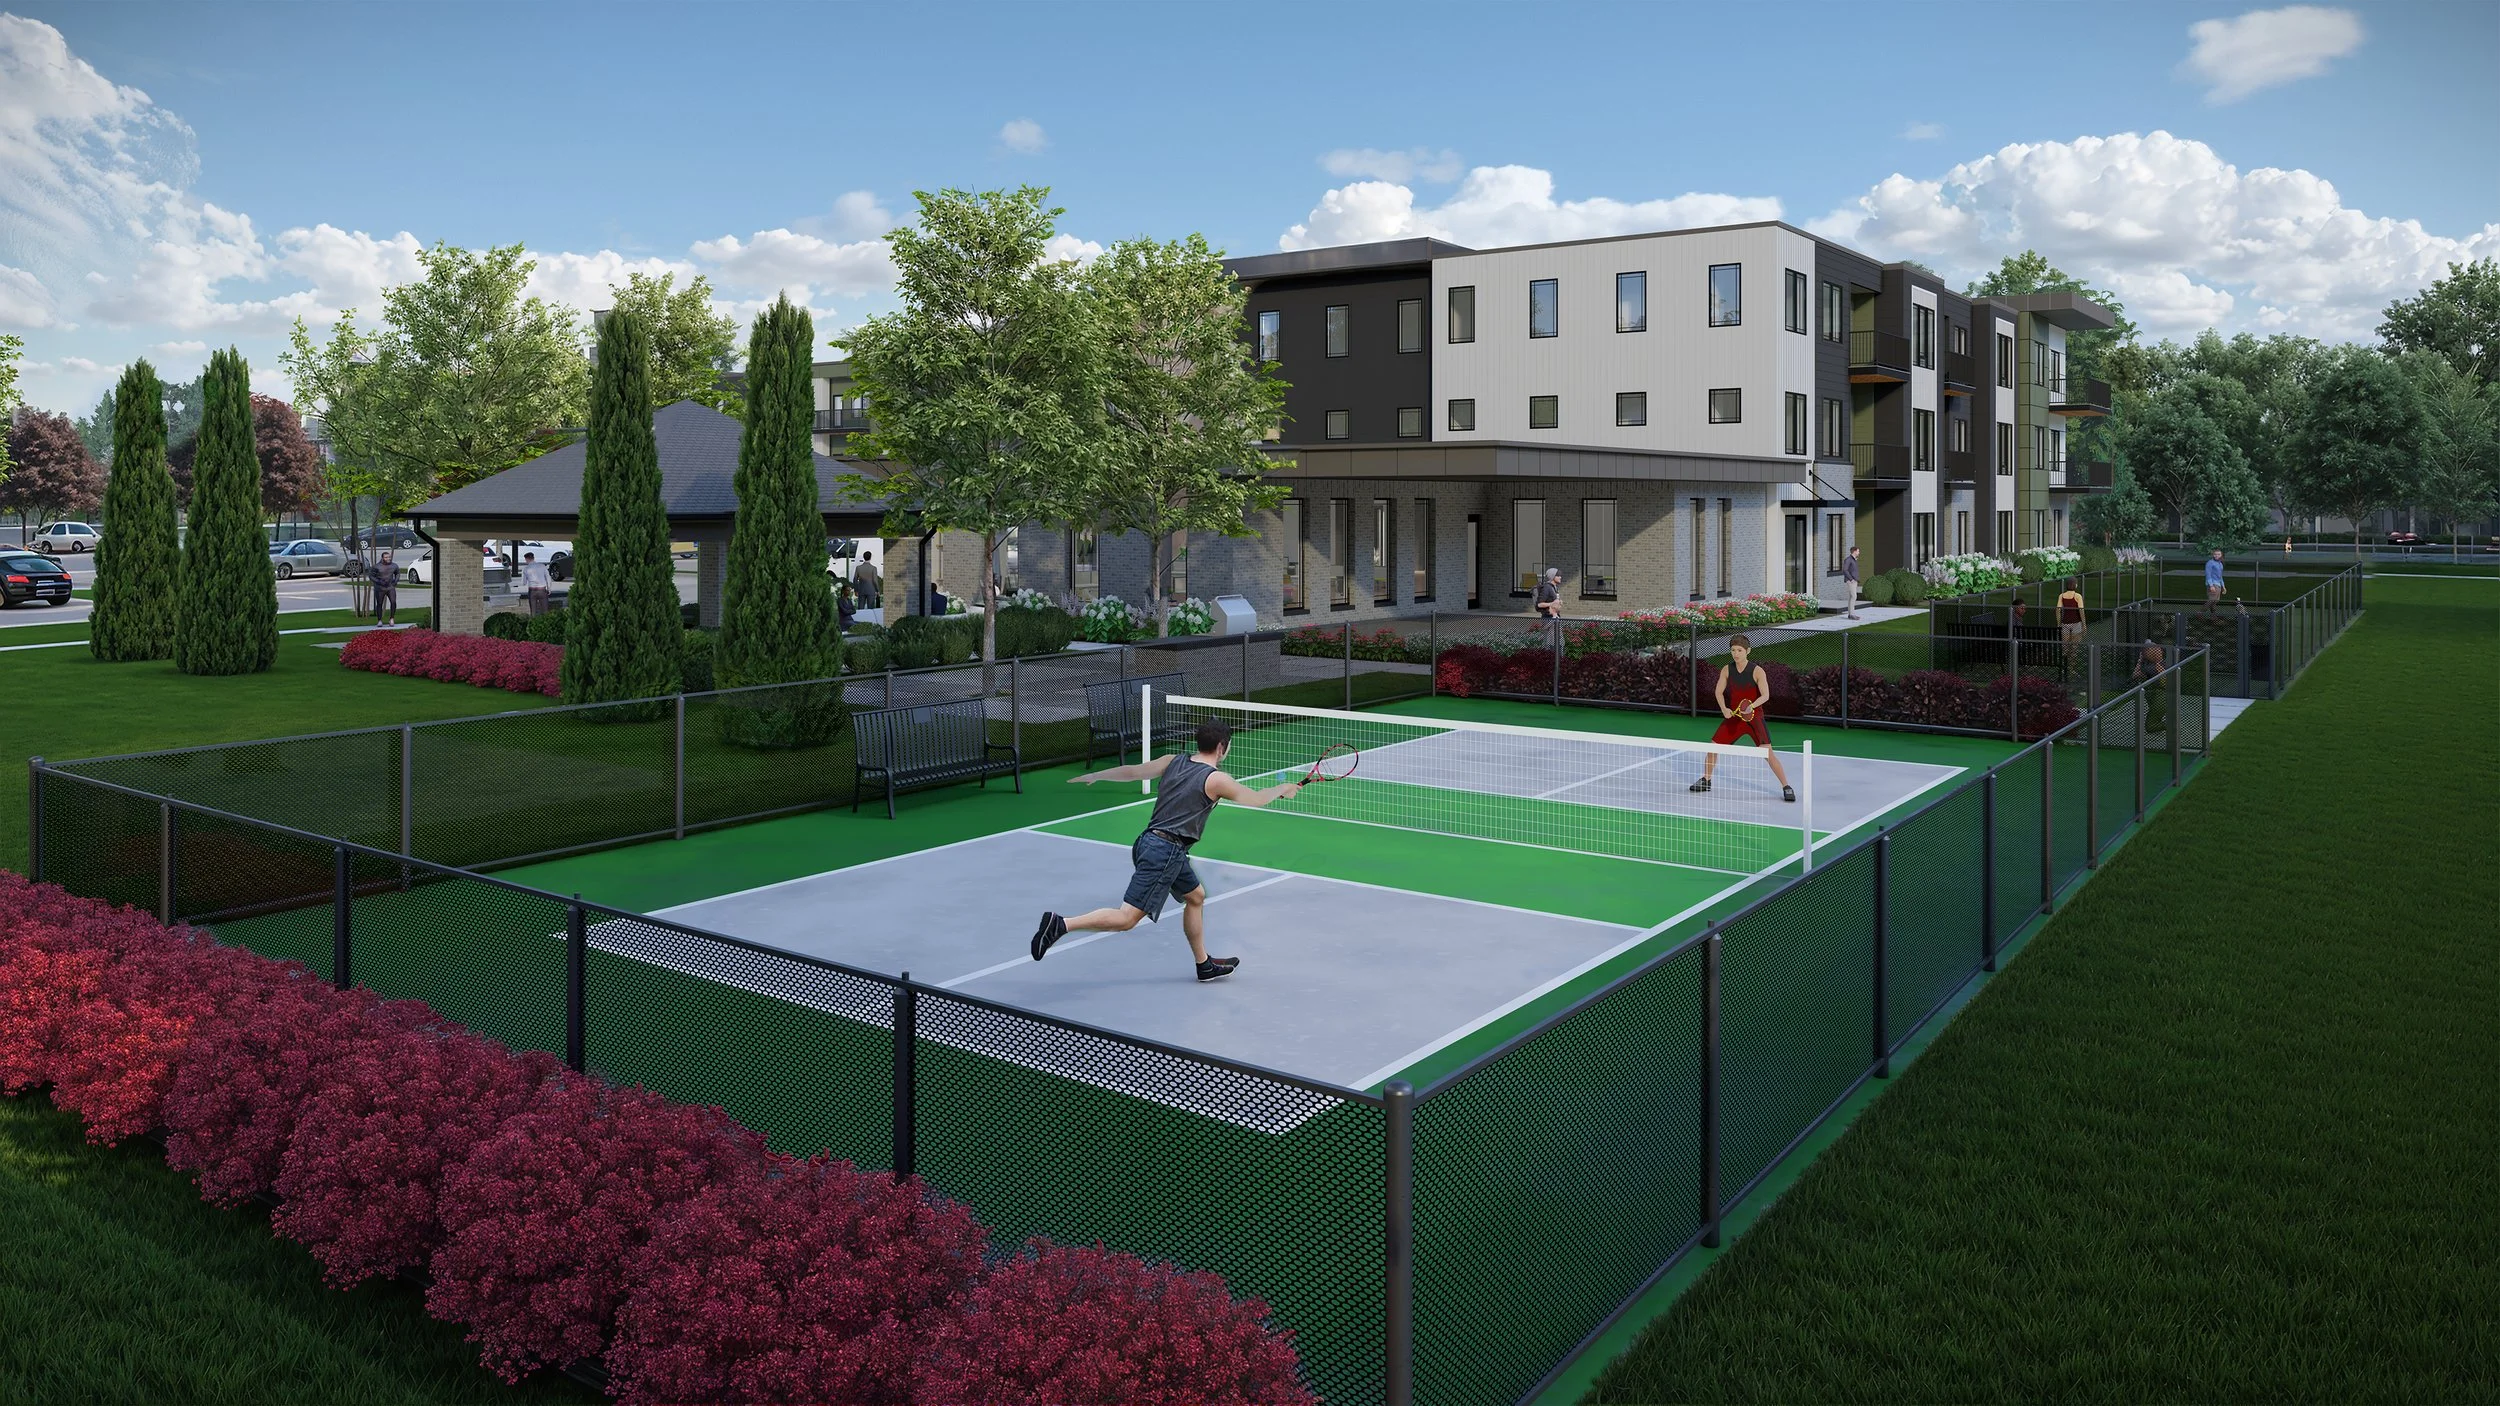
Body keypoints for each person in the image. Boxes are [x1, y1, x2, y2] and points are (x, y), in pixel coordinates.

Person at [1031, 720, 1304, 982]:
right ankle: (1061, 924)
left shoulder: (1172, 760)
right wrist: (1283, 788)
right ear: (1222, 747)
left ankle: (1204, 965)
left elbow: (1134, 772)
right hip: (1165, 852)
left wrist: (1096, 775)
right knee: (1127, 919)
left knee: (1195, 896)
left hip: (1148, 842)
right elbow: (1254, 799)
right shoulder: (1217, 779)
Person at [1689, 635, 1796, 802]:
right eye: (1733, 650)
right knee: (1713, 748)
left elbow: (1766, 695)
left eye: (1739, 650)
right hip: (1735, 717)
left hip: (1754, 717)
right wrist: (1724, 709)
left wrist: (1751, 706)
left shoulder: (1757, 671)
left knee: (1768, 753)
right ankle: (1706, 780)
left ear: (1748, 651)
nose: (1736, 654)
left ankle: (1786, 786)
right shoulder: (1727, 669)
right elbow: (1718, 692)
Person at [2057, 577, 2087, 676]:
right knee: (2074, 648)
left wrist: (2059, 623)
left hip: (2065, 624)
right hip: (2076, 624)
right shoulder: (2078, 596)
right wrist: (2084, 624)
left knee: (2064, 647)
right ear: (2075, 585)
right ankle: (2071, 669)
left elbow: (2058, 610)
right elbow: (2081, 610)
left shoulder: (2061, 596)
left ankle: (2063, 669)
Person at [1534, 566, 1563, 648]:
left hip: (1554, 617)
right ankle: (1551, 658)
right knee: (1549, 642)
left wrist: (1558, 602)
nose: (1560, 577)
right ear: (1552, 576)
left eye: (1560, 575)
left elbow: (1554, 601)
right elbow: (1539, 604)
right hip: (1548, 618)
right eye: (1558, 575)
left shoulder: (1554, 587)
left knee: (1557, 641)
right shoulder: (1547, 587)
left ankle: (1557, 658)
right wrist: (1552, 603)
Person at [517, 551, 554, 616]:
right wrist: (549, 588)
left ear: (526, 559)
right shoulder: (542, 566)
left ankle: (533, 623)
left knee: (533, 612)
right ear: (533, 558)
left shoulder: (525, 569)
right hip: (542, 589)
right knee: (545, 611)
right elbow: (548, 577)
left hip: (532, 590)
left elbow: (523, 583)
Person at [369, 550, 400, 627]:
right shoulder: (376, 566)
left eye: (389, 557)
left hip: (390, 587)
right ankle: (379, 620)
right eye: (386, 557)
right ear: (382, 558)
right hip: (380, 588)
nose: (388, 558)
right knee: (379, 604)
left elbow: (397, 573)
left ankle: (392, 618)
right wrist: (379, 582)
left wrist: (395, 581)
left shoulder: (394, 565)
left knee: (393, 602)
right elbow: (371, 576)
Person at [1843, 544, 1862, 620]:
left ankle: (1850, 614)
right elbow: (1845, 570)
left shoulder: (1853, 560)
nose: (1859, 552)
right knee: (1854, 596)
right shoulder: (1848, 559)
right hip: (1851, 581)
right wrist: (1851, 579)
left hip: (1854, 581)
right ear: (1854, 551)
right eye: (1858, 551)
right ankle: (1852, 614)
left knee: (1851, 597)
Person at [2204, 549, 2226, 614]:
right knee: (2211, 600)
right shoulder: (2210, 563)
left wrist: (2223, 586)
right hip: (2213, 584)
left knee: (2215, 602)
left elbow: (2220, 576)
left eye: (2218, 554)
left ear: (2221, 555)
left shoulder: (2220, 564)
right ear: (2213, 555)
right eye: (2215, 554)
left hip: (2218, 584)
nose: (2217, 556)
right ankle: (2199, 613)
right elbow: (2208, 575)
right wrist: (2211, 585)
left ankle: (2213, 617)